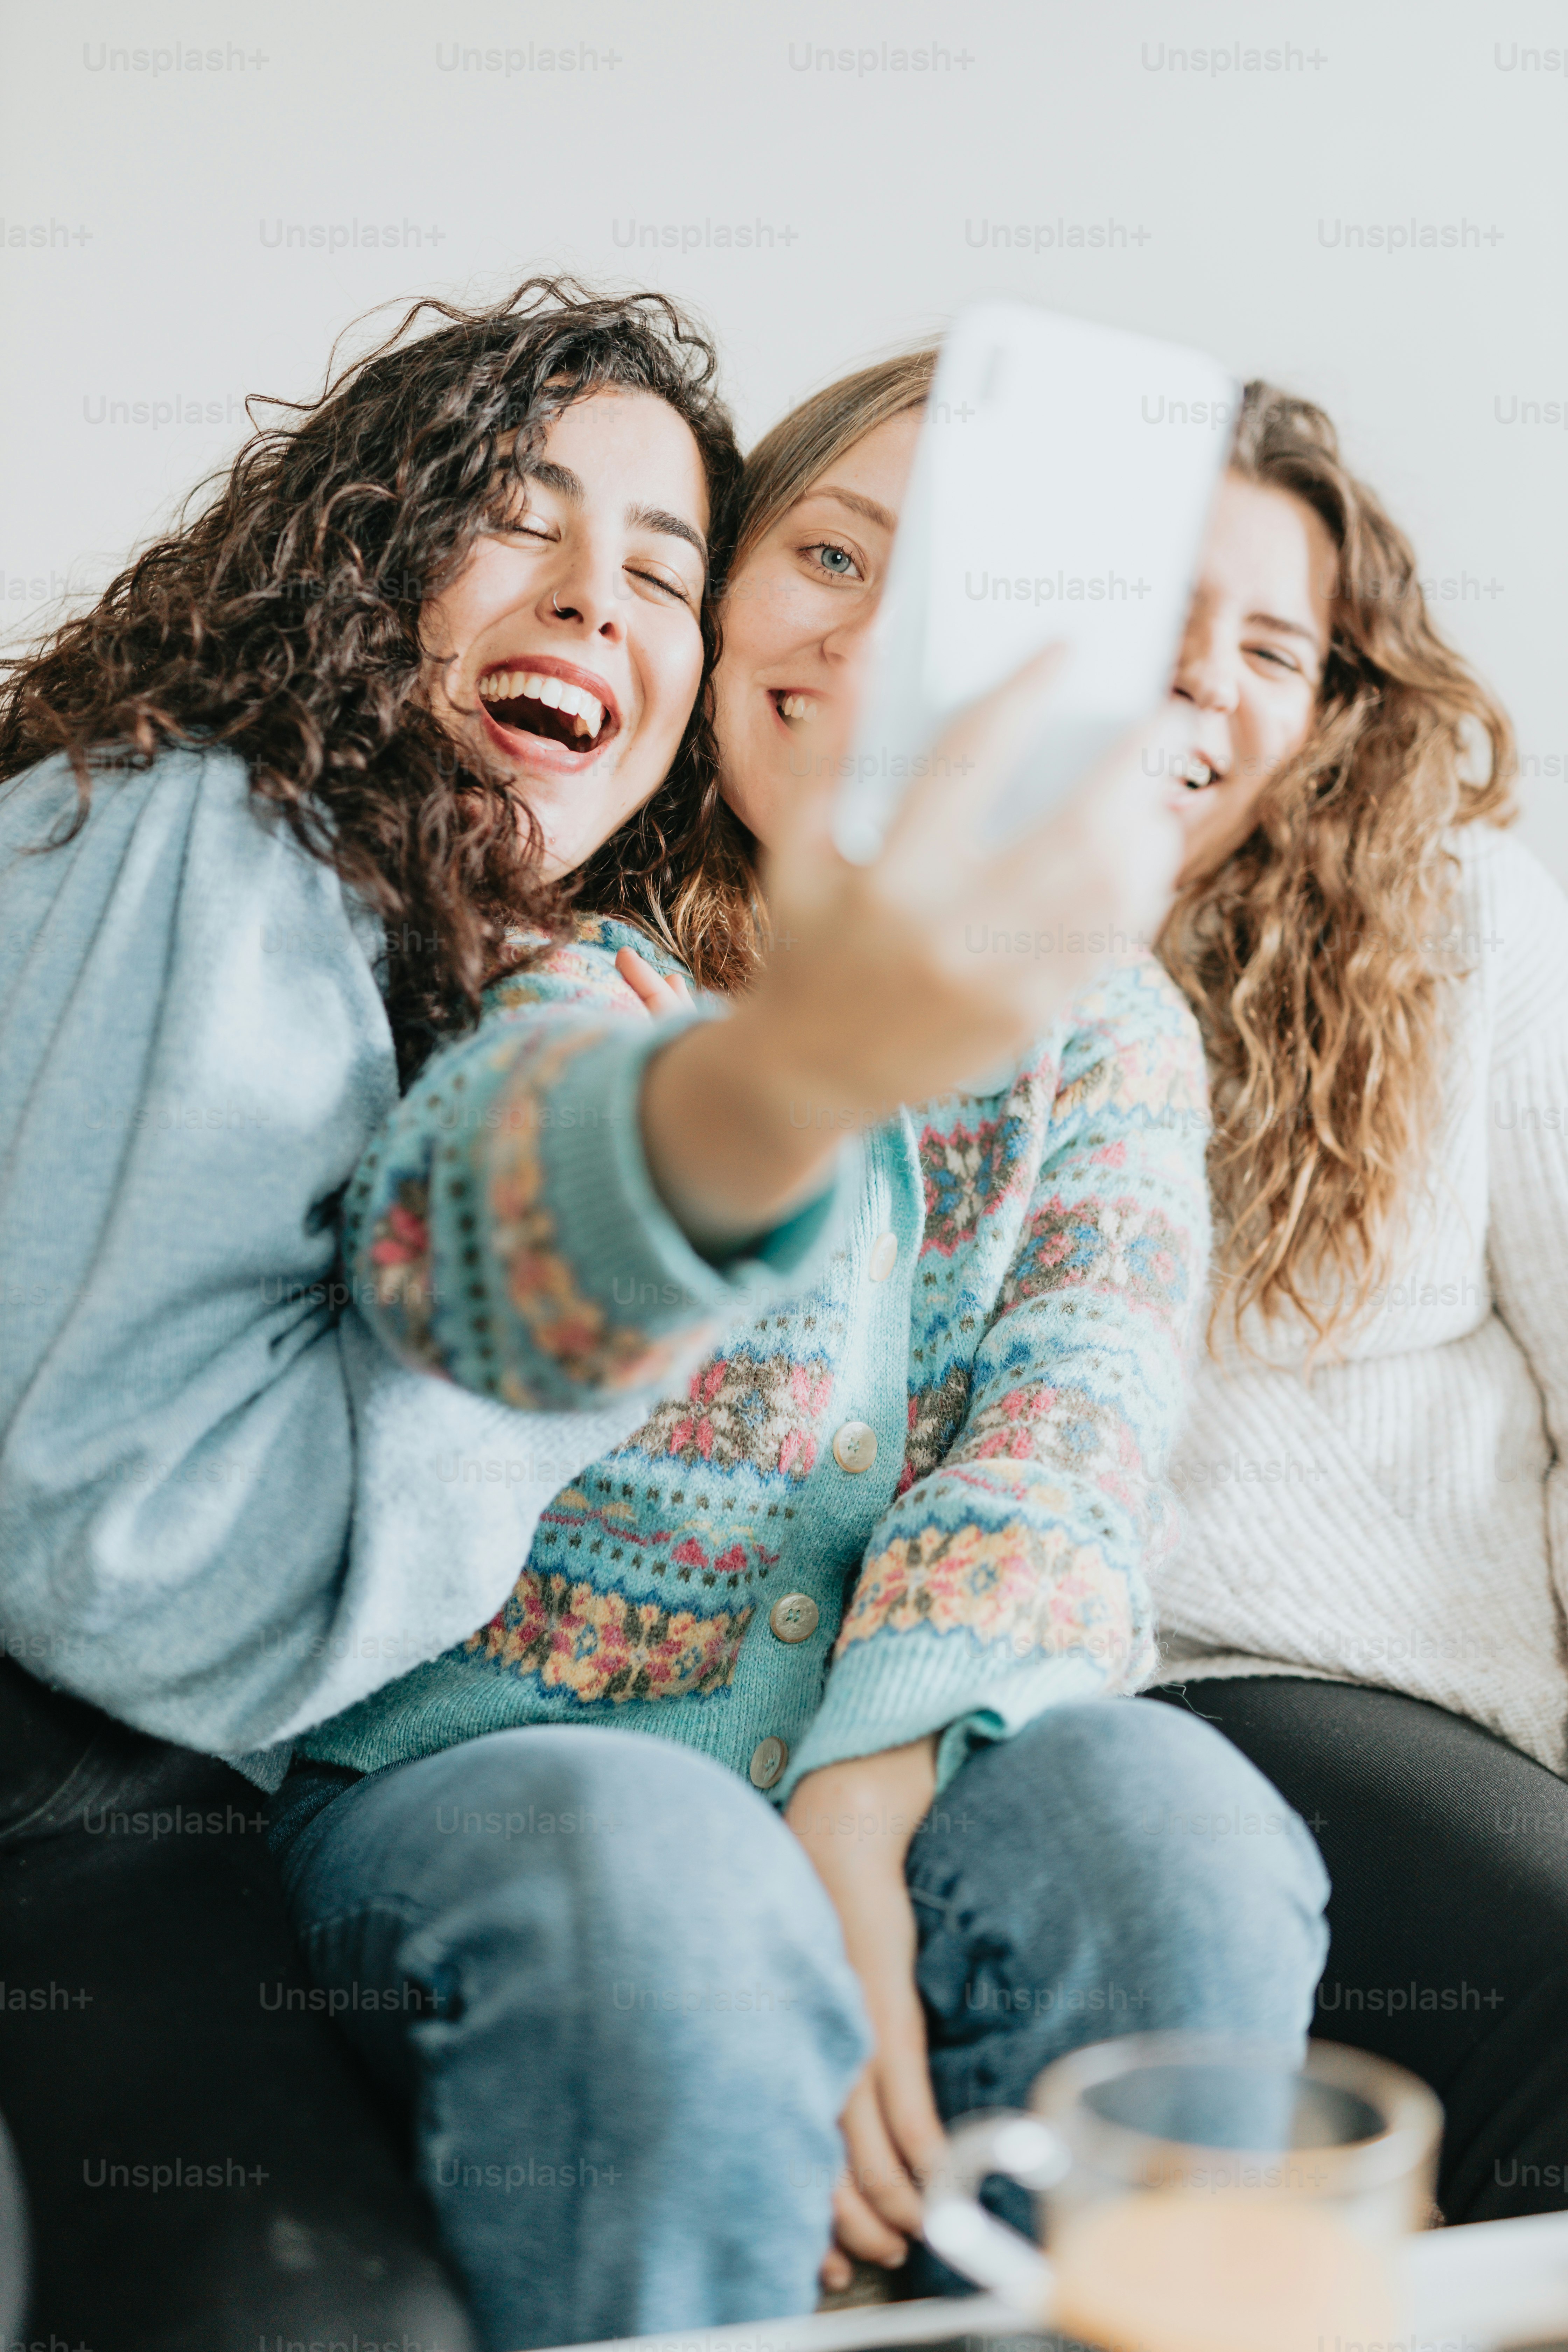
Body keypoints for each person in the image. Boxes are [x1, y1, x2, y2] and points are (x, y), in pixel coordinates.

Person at [270, 346, 1330, 2349]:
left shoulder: (1102, 1033)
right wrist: (790, 1065)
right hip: (502, 1783)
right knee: (657, 1878)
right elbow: (464, 1263)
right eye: (831, 553)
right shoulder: (556, 948)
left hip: (922, 1762)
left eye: (960, 596)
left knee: (1175, 1821)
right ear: (729, 605)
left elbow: (1066, 1443)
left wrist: (861, 1806)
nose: (875, 632)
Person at [0, 275, 750, 2351]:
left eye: (667, 572)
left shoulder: (481, 953)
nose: (599, 596)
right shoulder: (207, 830)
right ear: (370, 549)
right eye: (519, 512)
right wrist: (582, 1300)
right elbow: (118, 1573)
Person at [1142, 380, 1568, 2225]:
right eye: (1153, 616)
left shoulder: (1460, 912)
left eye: (1270, 647)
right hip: (1190, 1673)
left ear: (1330, 702)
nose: (1202, 684)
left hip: (1479, 1695)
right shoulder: (929, 941)